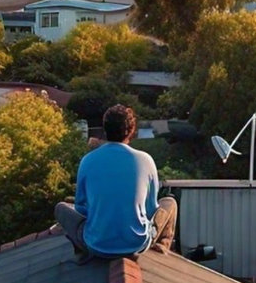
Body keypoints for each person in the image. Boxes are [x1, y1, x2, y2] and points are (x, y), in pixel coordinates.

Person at [55, 104, 177, 262]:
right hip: (137, 244)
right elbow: (151, 209)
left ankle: (81, 252)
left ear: (105, 130)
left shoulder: (88, 160)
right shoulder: (145, 160)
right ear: (131, 130)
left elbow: (81, 208)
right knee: (170, 203)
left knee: (61, 208)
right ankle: (161, 250)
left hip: (97, 245)